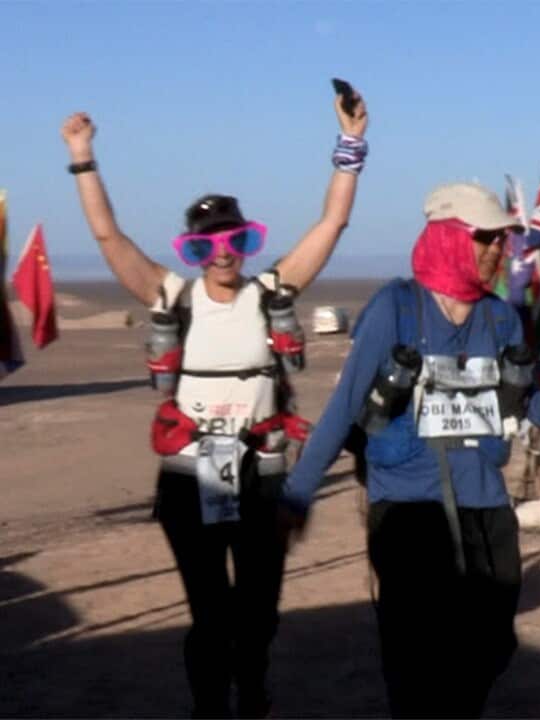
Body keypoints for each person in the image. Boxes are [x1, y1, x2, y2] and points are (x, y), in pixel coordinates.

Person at [60, 86, 368, 717]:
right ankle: (210, 706)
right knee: (208, 611)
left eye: (234, 238)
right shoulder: (170, 295)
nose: (223, 251)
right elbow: (107, 237)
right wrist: (83, 157)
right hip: (187, 476)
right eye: (207, 243)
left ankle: (251, 691)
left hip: (263, 473)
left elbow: (331, 223)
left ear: (247, 240)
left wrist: (352, 144)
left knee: (259, 608)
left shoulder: (272, 292)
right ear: (193, 249)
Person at [278, 181, 540, 718]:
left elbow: (528, 403)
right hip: (408, 512)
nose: (496, 250)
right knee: (416, 660)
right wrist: (298, 493)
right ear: (448, 238)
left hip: (487, 509)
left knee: (492, 646)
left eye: (501, 241)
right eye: (484, 238)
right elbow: (345, 406)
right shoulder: (395, 308)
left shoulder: (500, 318)